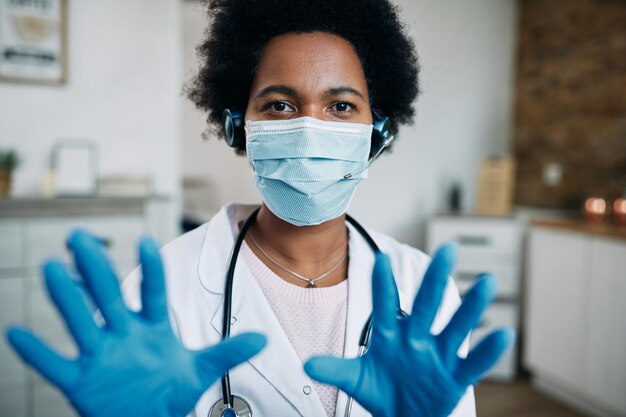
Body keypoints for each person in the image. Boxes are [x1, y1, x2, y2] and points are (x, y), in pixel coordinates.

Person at [6, 1, 514, 416]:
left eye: (341, 106)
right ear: (237, 127)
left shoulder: (422, 290)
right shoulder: (162, 292)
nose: (310, 127)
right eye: (280, 105)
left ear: (376, 134)